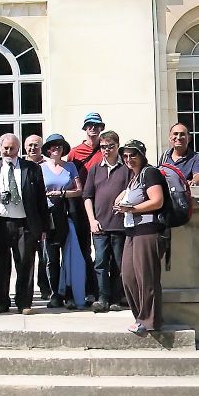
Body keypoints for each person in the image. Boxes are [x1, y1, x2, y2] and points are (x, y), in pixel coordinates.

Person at [0, 133, 50, 315]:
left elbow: (41, 199)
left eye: (12, 148)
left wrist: (43, 227)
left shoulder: (32, 169)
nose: (8, 151)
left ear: (18, 149)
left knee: (25, 264)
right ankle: (1, 301)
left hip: (25, 224)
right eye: (5, 148)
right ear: (0, 148)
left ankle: (24, 302)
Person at [113, 140, 166, 336]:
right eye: (125, 156)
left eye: (132, 155)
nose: (128, 159)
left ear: (142, 155)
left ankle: (151, 321)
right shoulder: (134, 177)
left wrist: (132, 209)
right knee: (128, 276)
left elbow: (157, 200)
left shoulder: (149, 173)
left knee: (146, 277)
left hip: (148, 230)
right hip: (132, 230)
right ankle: (140, 317)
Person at [83, 130, 131, 313]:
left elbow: (134, 187)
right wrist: (91, 221)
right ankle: (102, 298)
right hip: (99, 225)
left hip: (120, 224)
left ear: (117, 146)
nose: (106, 150)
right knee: (101, 262)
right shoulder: (95, 168)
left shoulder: (126, 168)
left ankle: (116, 297)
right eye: (103, 147)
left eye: (110, 146)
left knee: (118, 263)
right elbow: (87, 196)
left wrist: (123, 194)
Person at [39, 134, 86, 310]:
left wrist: (62, 194)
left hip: (67, 216)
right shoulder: (41, 168)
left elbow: (79, 190)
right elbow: (37, 193)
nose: (56, 149)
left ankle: (70, 294)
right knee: (51, 258)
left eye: (59, 146)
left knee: (69, 257)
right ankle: (54, 294)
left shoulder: (70, 166)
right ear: (48, 150)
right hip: (49, 217)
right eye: (52, 147)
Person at [67, 112, 105, 303]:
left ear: (101, 128)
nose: (93, 129)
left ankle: (102, 291)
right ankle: (88, 288)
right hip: (80, 205)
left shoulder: (105, 149)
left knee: (103, 250)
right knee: (84, 250)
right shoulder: (75, 152)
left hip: (101, 204)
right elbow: (68, 177)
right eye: (89, 125)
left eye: (96, 126)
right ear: (85, 128)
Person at [24, 133, 52, 300]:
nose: (33, 148)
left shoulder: (48, 165)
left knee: (44, 257)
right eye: (30, 145)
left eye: (36, 145)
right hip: (25, 218)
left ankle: (45, 288)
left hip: (42, 216)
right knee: (26, 258)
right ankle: (26, 290)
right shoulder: (21, 165)